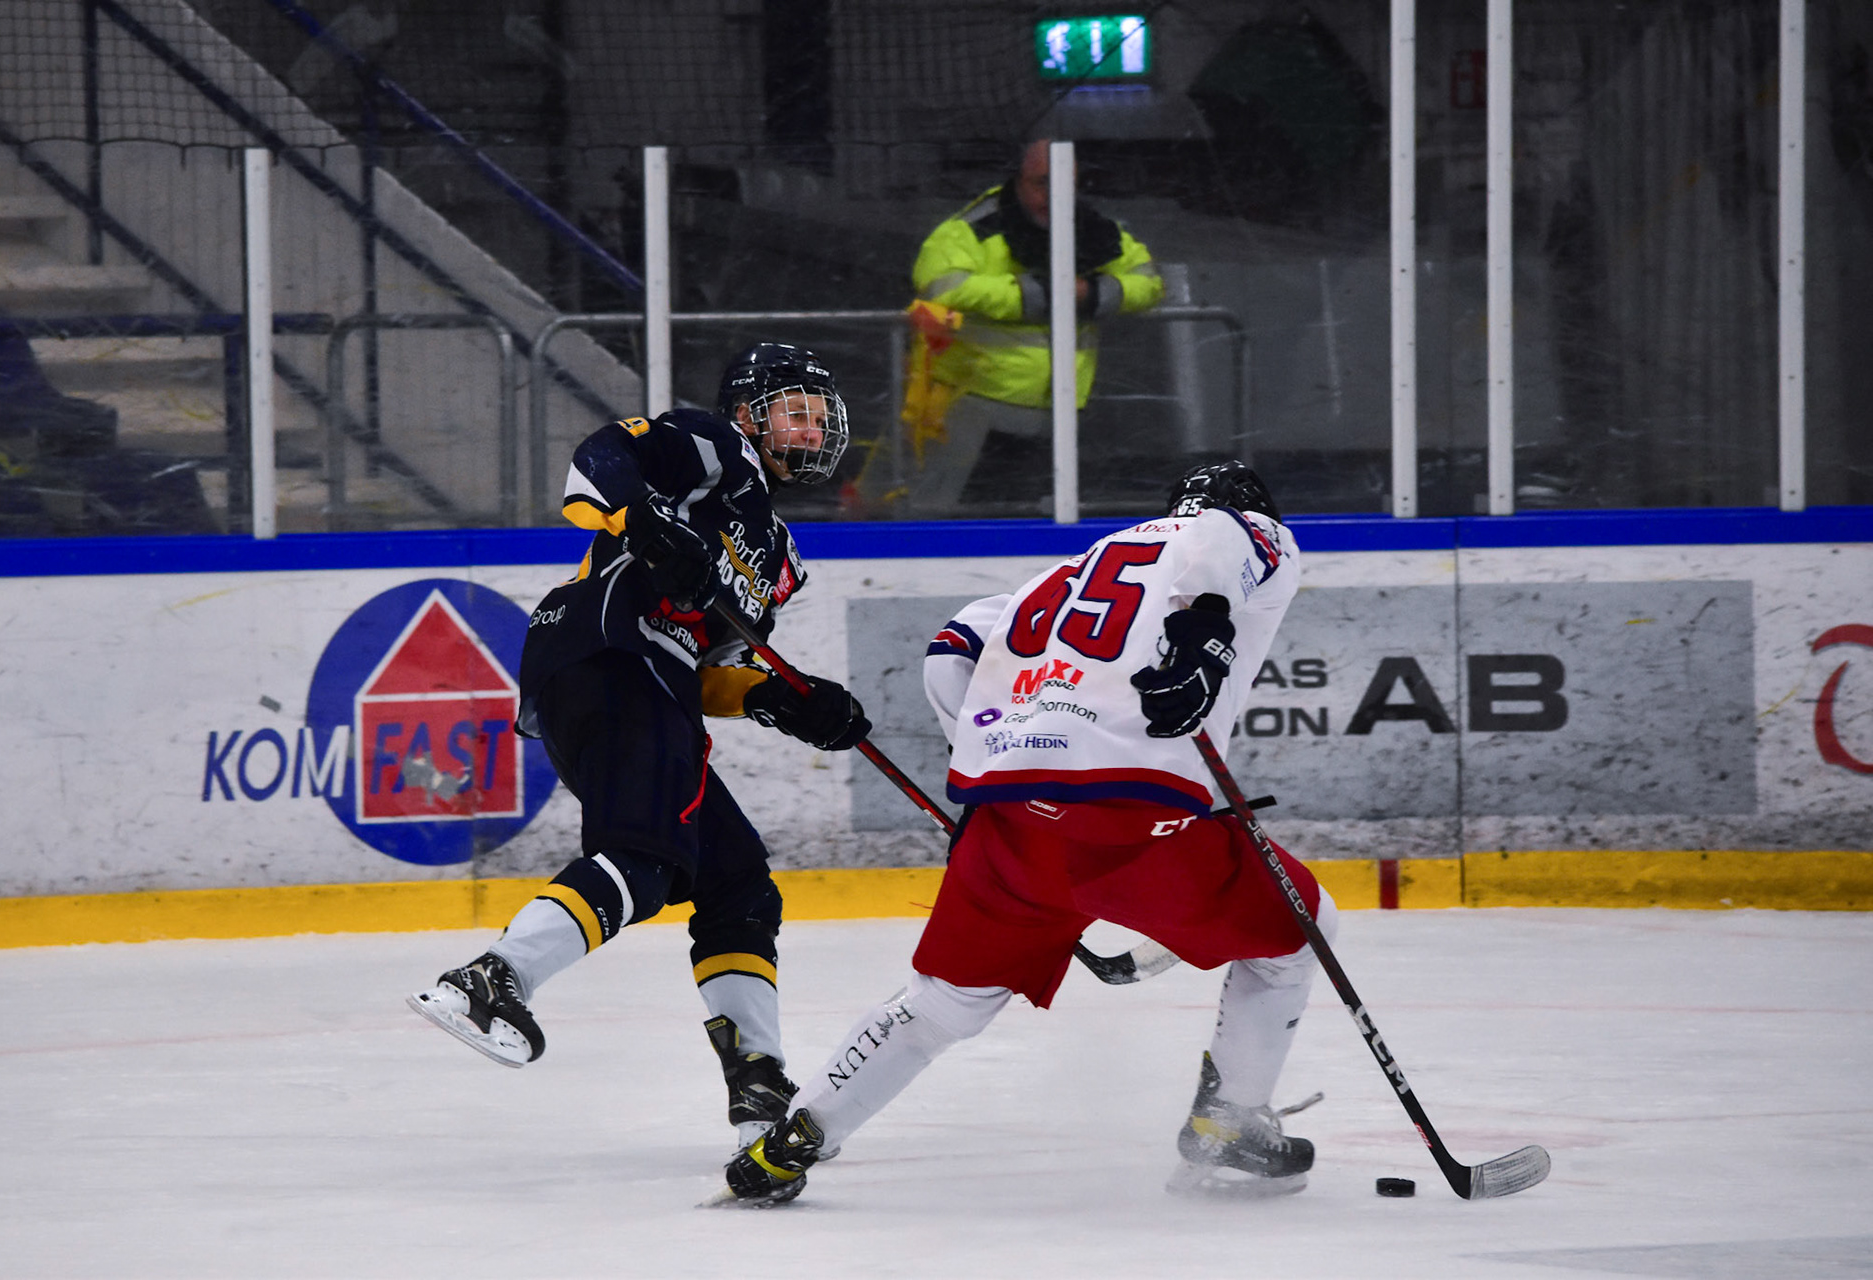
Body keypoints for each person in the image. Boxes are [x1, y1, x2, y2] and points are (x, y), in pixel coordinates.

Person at [718, 459, 1338, 1204]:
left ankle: (792, 1141)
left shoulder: (1070, 569)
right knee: (1302, 931)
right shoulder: (1244, 531)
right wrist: (1202, 637)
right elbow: (1220, 540)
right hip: (1133, 816)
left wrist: (980, 765)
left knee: (941, 1003)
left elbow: (951, 650)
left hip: (1011, 815)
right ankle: (1229, 1126)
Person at [409, 342, 873, 1151]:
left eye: (816, 417)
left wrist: (782, 699)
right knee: (645, 856)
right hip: (605, 653)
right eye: (793, 411)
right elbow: (597, 465)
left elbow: (703, 669)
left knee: (737, 881)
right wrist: (648, 524)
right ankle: (491, 981)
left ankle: (758, 1083)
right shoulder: (717, 450)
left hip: (650, 684)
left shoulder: (780, 560)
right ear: (747, 414)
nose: (810, 429)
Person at [875, 138, 1164, 517]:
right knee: (934, 516)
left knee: (1039, 519)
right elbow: (940, 287)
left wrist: (1090, 293)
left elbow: (1149, 283)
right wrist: (1036, 295)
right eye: (1042, 182)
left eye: (1064, 184)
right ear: (1018, 180)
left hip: (1060, 411)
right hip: (971, 407)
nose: (1053, 195)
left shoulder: (1095, 231)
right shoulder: (972, 229)